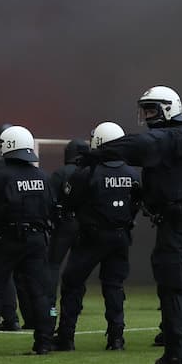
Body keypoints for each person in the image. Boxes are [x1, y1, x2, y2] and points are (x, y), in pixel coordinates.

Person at [91, 85, 182, 364]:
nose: (146, 116)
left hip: (177, 226)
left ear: (169, 108)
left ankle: (175, 360)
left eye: (151, 109)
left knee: (172, 291)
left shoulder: (171, 136)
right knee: (180, 289)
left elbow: (137, 145)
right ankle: (176, 355)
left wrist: (97, 153)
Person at [53, 121, 139, 351]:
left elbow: (68, 201)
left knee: (72, 283)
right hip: (121, 237)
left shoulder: (87, 172)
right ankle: (116, 338)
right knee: (114, 286)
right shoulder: (133, 173)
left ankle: (66, 337)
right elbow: (138, 204)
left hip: (91, 238)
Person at [0, 125, 54, 355]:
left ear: (6, 146)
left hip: (6, 240)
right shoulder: (43, 177)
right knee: (39, 292)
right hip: (37, 241)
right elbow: (51, 208)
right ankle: (44, 343)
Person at [47, 140, 86, 318]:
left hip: (63, 226)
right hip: (85, 226)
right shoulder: (90, 172)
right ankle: (74, 307)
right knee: (78, 270)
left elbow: (49, 201)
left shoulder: (59, 174)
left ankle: (50, 308)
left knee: (53, 266)